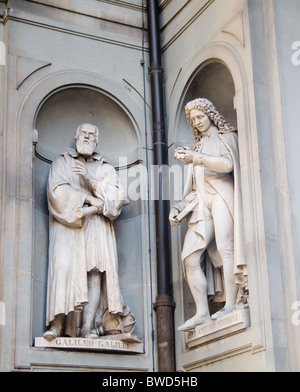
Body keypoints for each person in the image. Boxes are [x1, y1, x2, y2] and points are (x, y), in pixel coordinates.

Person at [43, 123, 129, 340]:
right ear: (76, 136)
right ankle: (57, 325)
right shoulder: (62, 162)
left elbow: (117, 198)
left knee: (94, 276)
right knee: (63, 270)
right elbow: (56, 191)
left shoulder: (105, 168)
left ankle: (88, 328)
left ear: (97, 140)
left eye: (92, 134)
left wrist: (90, 180)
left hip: (97, 227)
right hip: (68, 226)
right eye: (84, 133)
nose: (87, 137)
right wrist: (89, 198)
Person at [169, 98, 247, 331]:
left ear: (210, 115)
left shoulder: (226, 137)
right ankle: (202, 312)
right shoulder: (199, 146)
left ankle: (232, 304)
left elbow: (228, 164)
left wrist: (196, 159)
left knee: (226, 248)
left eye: (200, 117)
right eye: (193, 120)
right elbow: (194, 188)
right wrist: (178, 209)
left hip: (223, 197)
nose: (197, 122)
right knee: (189, 257)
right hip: (202, 202)